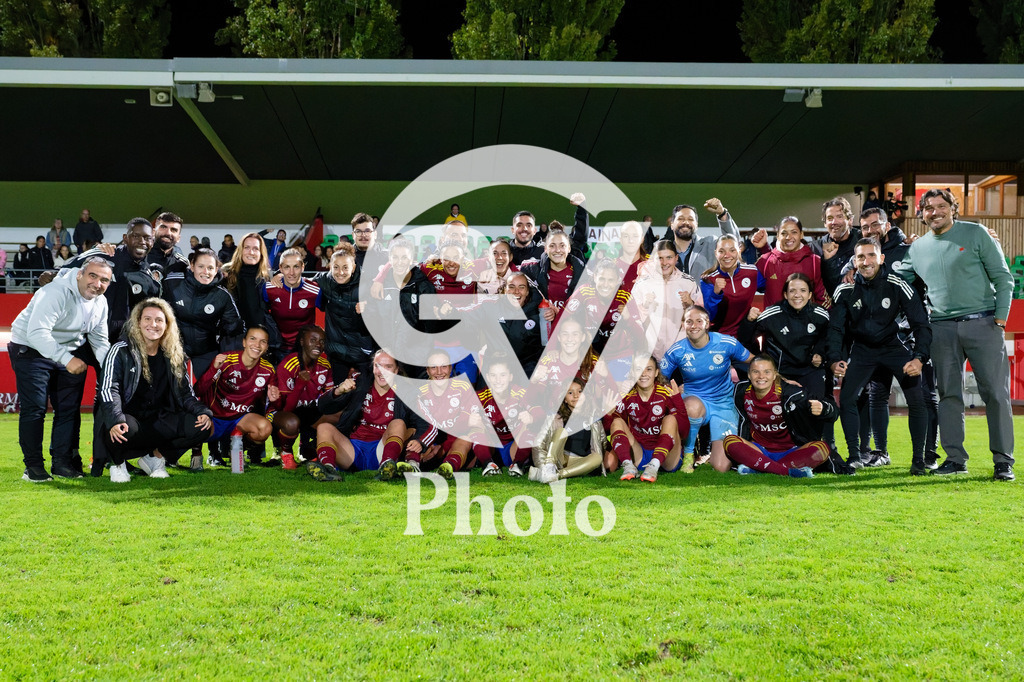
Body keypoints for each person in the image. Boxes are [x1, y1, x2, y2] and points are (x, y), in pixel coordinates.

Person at [894, 189, 1015, 480]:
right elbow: (898, 278)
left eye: (940, 206)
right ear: (921, 214)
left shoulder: (976, 234)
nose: (935, 212)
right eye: (928, 208)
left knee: (995, 394)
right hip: (942, 328)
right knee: (948, 394)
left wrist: (999, 320)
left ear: (953, 209)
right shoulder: (919, 247)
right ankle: (956, 459)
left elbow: (1003, 276)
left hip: (983, 323)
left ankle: (1003, 461)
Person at [829, 238, 932, 474]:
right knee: (846, 399)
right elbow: (836, 328)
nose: (866, 262)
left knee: (917, 397)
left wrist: (919, 358)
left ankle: (918, 460)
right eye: (861, 257)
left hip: (893, 348)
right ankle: (854, 456)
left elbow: (921, 324)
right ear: (854, 261)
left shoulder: (898, 284)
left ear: (881, 258)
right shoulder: (845, 290)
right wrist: (835, 358)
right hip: (862, 351)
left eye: (871, 256)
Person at [9, 258, 112, 481]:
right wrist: (66, 359)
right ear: (79, 275)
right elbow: (37, 333)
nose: (97, 283)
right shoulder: (55, 292)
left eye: (104, 280)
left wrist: (110, 368)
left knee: (68, 409)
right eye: (92, 276)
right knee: (35, 408)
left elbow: (99, 340)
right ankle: (33, 467)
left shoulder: (100, 302)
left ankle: (61, 463)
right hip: (30, 347)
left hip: (67, 351)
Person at [98, 299, 213, 483]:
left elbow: (185, 393)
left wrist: (202, 412)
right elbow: (108, 389)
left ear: (167, 325)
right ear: (137, 322)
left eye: (159, 320)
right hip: (130, 420)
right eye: (147, 319)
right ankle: (118, 465)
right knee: (121, 427)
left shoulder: (175, 354)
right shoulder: (120, 350)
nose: (153, 325)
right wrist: (115, 418)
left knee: (202, 426)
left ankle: (155, 458)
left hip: (160, 420)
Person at [659, 306, 753, 474]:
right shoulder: (678, 350)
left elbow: (755, 362)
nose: (694, 325)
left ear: (707, 324)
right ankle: (688, 454)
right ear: (683, 325)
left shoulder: (726, 343)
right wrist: (672, 390)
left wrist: (779, 378)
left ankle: (708, 452)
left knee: (721, 466)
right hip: (694, 400)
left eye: (699, 321)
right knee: (692, 407)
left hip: (724, 403)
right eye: (689, 321)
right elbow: (659, 377)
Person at [315, 350, 421, 480]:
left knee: (398, 423)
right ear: (373, 367)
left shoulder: (407, 392)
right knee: (324, 427)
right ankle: (328, 469)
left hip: (381, 449)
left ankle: (387, 467)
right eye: (378, 366)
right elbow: (322, 406)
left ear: (397, 370)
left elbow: (422, 424)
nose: (382, 372)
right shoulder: (360, 382)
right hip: (353, 450)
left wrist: (420, 442)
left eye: (388, 367)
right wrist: (338, 391)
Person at [724, 354, 834, 477]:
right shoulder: (741, 391)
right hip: (760, 450)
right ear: (749, 375)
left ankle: (759, 467)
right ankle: (787, 471)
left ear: (774, 374)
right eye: (756, 372)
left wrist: (824, 408)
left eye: (767, 372)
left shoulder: (792, 393)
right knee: (730, 441)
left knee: (822, 448)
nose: (761, 377)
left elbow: (832, 411)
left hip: (792, 451)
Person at [53, 218, 161, 342]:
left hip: (124, 341)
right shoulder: (104, 254)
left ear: (152, 242)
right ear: (125, 238)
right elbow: (64, 271)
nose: (142, 242)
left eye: (147, 238)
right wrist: (51, 274)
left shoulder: (149, 276)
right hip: (86, 339)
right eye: (136, 236)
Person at [194, 326, 278, 467]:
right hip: (215, 419)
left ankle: (237, 449)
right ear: (244, 342)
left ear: (267, 347)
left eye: (263, 341)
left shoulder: (268, 370)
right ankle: (196, 456)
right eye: (253, 339)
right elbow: (198, 391)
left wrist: (275, 399)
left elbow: (274, 406)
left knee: (264, 428)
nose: (257, 345)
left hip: (240, 421)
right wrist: (214, 369)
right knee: (194, 428)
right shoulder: (226, 361)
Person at [162, 248, 243, 382]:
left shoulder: (222, 296)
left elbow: (234, 330)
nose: (206, 272)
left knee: (201, 393)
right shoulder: (173, 283)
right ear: (192, 266)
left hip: (205, 354)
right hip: (174, 351)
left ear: (216, 269)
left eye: (210, 268)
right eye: (201, 266)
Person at [608, 356, 686, 483]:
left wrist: (678, 401)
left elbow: (684, 432)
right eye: (639, 369)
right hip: (640, 455)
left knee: (671, 419)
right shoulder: (627, 396)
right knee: (617, 421)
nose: (643, 374)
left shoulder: (666, 393)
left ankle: (654, 465)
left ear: (656, 373)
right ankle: (628, 466)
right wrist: (609, 414)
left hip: (667, 459)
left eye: (648, 369)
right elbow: (612, 428)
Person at [271, 325, 337, 469]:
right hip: (282, 412)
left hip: (308, 410)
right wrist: (300, 385)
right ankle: (286, 453)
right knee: (291, 422)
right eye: (313, 340)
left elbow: (329, 401)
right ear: (302, 342)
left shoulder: (325, 365)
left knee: (340, 415)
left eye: (322, 341)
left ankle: (311, 448)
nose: (318, 345)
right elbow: (286, 408)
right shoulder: (288, 365)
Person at [469, 354, 543, 477]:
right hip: (490, 449)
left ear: (510, 377)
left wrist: (532, 417)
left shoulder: (520, 393)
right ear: (487, 377)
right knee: (474, 425)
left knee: (532, 425)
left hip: (514, 449)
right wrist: (468, 420)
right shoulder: (480, 396)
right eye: (493, 376)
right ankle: (488, 464)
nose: (498, 380)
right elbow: (462, 416)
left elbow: (540, 412)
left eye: (503, 375)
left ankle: (517, 465)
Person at [633, 240, 703, 360]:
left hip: (681, 352)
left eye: (669, 257)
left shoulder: (688, 282)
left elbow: (702, 316)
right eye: (660, 258)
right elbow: (632, 320)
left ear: (676, 258)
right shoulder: (641, 285)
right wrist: (645, 306)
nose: (664, 263)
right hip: (650, 354)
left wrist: (690, 304)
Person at [529, 376, 605, 483]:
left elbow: (602, 442)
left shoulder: (594, 418)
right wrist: (543, 466)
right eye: (570, 392)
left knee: (597, 457)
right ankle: (548, 469)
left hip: (580, 461)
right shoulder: (555, 417)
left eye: (580, 391)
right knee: (561, 432)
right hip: (559, 459)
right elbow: (538, 444)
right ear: (564, 398)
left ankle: (555, 475)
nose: (575, 395)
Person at [643, 198, 740, 277]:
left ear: (696, 225)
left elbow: (734, 242)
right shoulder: (659, 249)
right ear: (672, 225)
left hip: (703, 301)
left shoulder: (710, 244)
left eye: (690, 219)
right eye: (681, 219)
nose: (686, 222)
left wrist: (722, 214)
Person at [754, 216, 828, 308]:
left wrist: (819, 320)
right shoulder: (765, 261)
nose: (788, 237)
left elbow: (823, 299)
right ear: (777, 236)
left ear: (801, 234)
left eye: (794, 232)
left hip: (807, 322)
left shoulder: (814, 262)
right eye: (784, 233)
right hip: (773, 321)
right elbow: (745, 287)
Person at [700, 234, 763, 337]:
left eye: (732, 250)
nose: (727, 255)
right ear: (716, 253)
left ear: (739, 251)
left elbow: (772, 287)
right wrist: (716, 294)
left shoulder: (752, 272)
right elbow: (709, 316)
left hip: (745, 335)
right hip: (718, 338)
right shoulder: (708, 280)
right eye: (721, 251)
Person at [264, 248, 322, 355]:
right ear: (280, 268)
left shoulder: (315, 290)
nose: (291, 272)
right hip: (277, 348)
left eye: (296, 267)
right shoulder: (269, 289)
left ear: (302, 267)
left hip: (304, 349)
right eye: (287, 267)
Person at [810, 197, 862, 295]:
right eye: (830, 218)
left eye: (839, 216)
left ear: (850, 220)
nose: (834, 222)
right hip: (826, 306)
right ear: (825, 223)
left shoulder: (862, 241)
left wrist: (856, 269)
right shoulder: (814, 248)